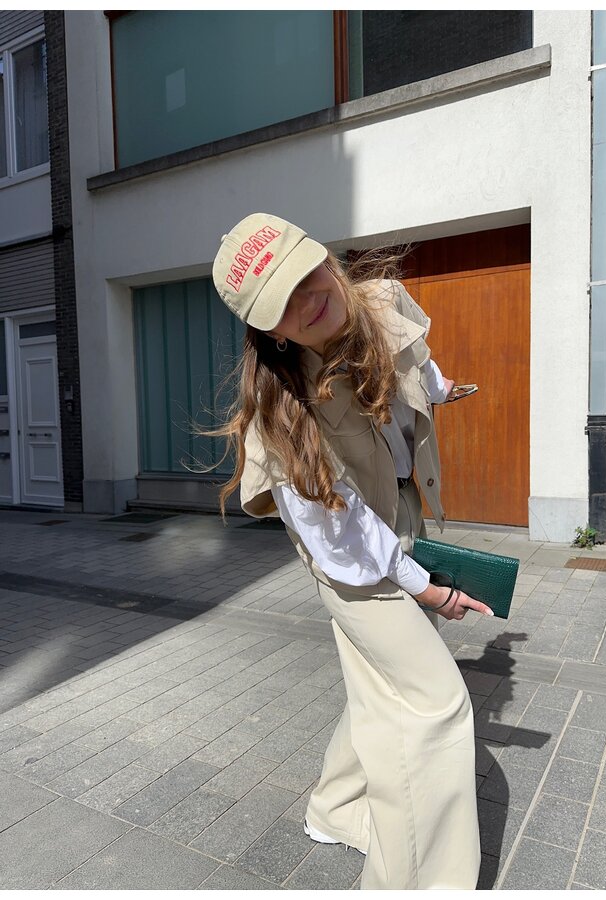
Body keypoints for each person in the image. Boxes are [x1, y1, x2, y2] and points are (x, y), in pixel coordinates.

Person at [211, 213, 490, 890]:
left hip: (398, 508)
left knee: (379, 687)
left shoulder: (381, 300)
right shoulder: (281, 416)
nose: (312, 298)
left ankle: (335, 809)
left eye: (309, 272)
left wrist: (441, 390)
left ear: (327, 257)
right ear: (271, 330)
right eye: (285, 302)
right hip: (349, 556)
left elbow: (416, 356)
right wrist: (428, 587)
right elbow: (347, 539)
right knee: (431, 705)